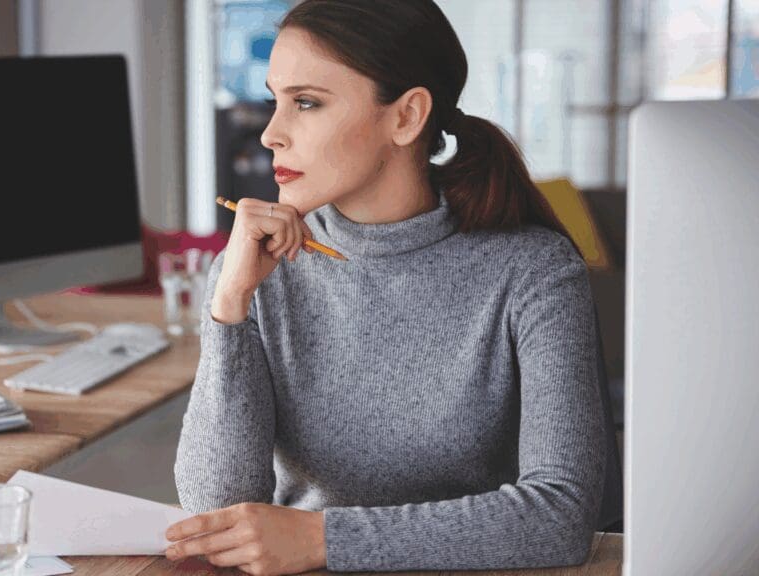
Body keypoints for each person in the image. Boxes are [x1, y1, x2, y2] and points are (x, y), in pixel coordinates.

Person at [166, 0, 607, 574]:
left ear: (405, 117)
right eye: (275, 100)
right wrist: (229, 308)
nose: (272, 133)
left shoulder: (534, 273)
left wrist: (323, 539)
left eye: (306, 102)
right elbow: (219, 513)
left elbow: (561, 518)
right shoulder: (254, 269)